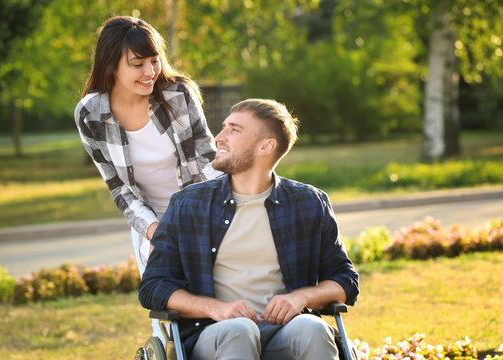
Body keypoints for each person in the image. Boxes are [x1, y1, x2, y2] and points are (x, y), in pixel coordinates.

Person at [139, 99, 359, 360]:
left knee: (312, 327)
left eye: (234, 130)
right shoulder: (188, 204)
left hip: (285, 332)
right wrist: (215, 308)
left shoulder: (309, 203)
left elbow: (345, 280)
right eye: (224, 128)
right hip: (214, 334)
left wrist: (302, 297)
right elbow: (153, 286)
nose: (219, 137)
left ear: (266, 146)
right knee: (239, 330)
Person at [74, 16, 221, 340]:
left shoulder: (178, 94)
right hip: (149, 221)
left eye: (154, 61)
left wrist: (212, 215)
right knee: (167, 308)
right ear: (111, 65)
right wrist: (155, 231)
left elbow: (208, 159)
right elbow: (118, 188)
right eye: (137, 64)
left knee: (218, 295)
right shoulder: (90, 113)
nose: (150, 72)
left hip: (201, 210)